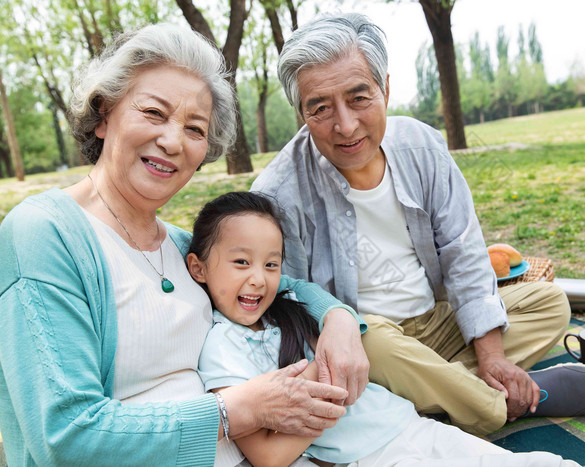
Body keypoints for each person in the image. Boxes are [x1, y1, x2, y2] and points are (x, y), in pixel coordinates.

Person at [0, 23, 369, 466]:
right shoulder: (45, 233)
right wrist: (236, 411)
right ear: (103, 116)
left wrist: (340, 320)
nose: (173, 141)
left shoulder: (181, 246)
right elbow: (65, 436)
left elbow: (287, 286)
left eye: (195, 129)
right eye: (154, 113)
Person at [251, 12, 585, 436]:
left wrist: (492, 353)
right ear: (301, 113)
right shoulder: (277, 192)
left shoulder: (421, 145)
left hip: (437, 322)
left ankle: (428, 397)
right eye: (320, 108)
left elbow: (463, 248)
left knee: (550, 302)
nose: (345, 125)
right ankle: (495, 405)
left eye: (359, 98)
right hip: (367, 343)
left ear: (385, 87)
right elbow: (287, 297)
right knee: (370, 339)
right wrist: (341, 325)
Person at [188, 190, 580, 466]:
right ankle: (493, 398)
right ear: (198, 268)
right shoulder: (221, 346)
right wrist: (329, 381)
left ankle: (465, 390)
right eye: (242, 262)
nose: (259, 279)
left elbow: (319, 303)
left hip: (404, 419)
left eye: (271, 264)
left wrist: (332, 352)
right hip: (366, 456)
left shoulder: (287, 305)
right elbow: (269, 457)